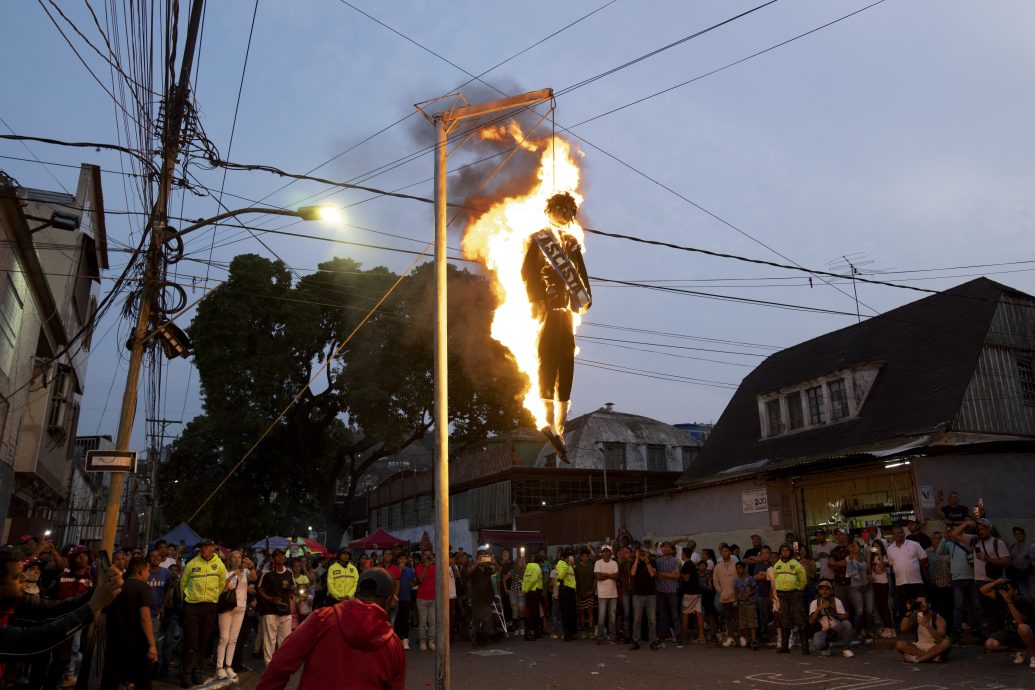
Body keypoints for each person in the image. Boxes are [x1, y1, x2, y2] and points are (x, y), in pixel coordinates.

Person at [521, 191, 592, 459]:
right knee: (547, 359)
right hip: (548, 308)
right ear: (550, 209)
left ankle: (559, 430)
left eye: (569, 210)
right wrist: (536, 299)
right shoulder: (539, 239)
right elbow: (528, 271)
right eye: (560, 208)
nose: (564, 214)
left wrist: (586, 298)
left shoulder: (572, 242)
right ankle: (548, 422)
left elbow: (581, 274)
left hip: (567, 311)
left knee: (567, 361)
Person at [256, 568, 404, 690]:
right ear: (390, 600)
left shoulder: (322, 618)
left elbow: (281, 663)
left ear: (356, 592)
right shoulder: (394, 644)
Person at [0, 546, 121, 659]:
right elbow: (35, 638)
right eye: (16, 577)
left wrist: (96, 592)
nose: (25, 577)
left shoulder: (19, 600)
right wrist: (91, 607)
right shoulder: (62, 576)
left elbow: (55, 608)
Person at [101, 556, 157, 690]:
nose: (149, 574)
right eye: (147, 571)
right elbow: (145, 616)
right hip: (136, 643)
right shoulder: (143, 587)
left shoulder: (117, 586)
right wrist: (152, 645)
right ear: (140, 571)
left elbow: (105, 613)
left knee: (110, 681)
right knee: (143, 682)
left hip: (115, 642)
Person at [951, 516, 1010, 636]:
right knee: (982, 610)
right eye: (979, 529)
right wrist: (967, 523)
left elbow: (1006, 561)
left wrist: (988, 559)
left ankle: (1000, 634)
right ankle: (987, 635)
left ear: (989, 529)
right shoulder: (975, 540)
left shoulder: (998, 543)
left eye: (983, 529)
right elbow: (954, 534)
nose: (980, 531)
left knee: (996, 610)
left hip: (993, 581)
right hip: (979, 581)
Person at [179, 538, 226, 688]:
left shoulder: (219, 565)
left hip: (209, 607)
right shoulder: (192, 564)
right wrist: (186, 602)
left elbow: (222, 584)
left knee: (203, 641)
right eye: (202, 547)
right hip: (192, 607)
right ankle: (186, 674)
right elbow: (182, 584)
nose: (204, 549)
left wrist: (212, 597)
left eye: (207, 547)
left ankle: (197, 671)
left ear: (213, 548)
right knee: (191, 641)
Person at [980, 577, 1035, 668]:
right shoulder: (1002, 598)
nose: (1005, 592)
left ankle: (1033, 656)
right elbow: (983, 590)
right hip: (1010, 632)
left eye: (1008, 589)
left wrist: (1009, 602)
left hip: (1028, 634)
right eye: (1004, 589)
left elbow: (1020, 621)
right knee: (990, 644)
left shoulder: (1025, 602)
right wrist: (995, 583)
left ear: (1016, 591)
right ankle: (1016, 650)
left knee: (1022, 627)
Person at [215, 551, 250, 680]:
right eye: (234, 557)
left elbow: (254, 577)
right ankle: (219, 667)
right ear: (229, 560)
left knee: (233, 639)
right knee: (224, 638)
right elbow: (221, 589)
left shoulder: (245, 572)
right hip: (227, 607)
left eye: (239, 557)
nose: (237, 559)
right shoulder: (224, 572)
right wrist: (233, 575)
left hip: (241, 607)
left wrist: (250, 566)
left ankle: (228, 666)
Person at [258, 549, 295, 665]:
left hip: (285, 610)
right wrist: (270, 598)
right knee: (270, 640)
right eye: (278, 556)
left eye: (282, 555)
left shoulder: (289, 573)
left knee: (285, 640)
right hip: (270, 610)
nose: (281, 557)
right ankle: (269, 665)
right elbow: (260, 589)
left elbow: (293, 589)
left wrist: (292, 592)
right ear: (273, 558)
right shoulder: (267, 573)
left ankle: (282, 664)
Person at [773, 543, 808, 655]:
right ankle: (785, 646)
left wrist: (799, 589)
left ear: (791, 552)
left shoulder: (796, 564)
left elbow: (803, 579)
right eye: (782, 550)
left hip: (795, 594)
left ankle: (805, 646)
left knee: (799, 617)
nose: (784, 552)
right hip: (782, 595)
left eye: (787, 550)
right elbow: (774, 579)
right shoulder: (777, 565)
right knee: (785, 618)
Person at [886, 526, 928, 619]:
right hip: (900, 583)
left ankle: (921, 624)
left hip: (916, 581)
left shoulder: (914, 544)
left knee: (920, 606)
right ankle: (910, 625)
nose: (897, 534)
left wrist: (915, 568)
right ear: (892, 535)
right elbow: (891, 564)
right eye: (895, 533)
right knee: (906, 608)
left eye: (900, 532)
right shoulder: (889, 549)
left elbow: (924, 558)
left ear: (904, 533)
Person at [895, 595, 951, 663]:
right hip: (919, 646)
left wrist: (927, 625)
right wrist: (908, 612)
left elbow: (940, 639)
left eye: (923, 602)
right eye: (918, 603)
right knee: (899, 644)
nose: (920, 605)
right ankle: (932, 657)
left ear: (929, 605)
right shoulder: (915, 616)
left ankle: (919, 659)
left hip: (934, 647)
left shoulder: (938, 619)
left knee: (946, 643)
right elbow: (903, 629)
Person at [808, 580, 854, 657]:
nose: (824, 591)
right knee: (818, 644)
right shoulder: (815, 602)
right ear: (819, 591)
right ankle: (826, 646)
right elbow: (811, 621)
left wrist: (834, 613)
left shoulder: (837, 601)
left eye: (827, 589)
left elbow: (844, 617)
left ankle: (846, 649)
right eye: (822, 589)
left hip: (836, 629)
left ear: (831, 591)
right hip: (823, 630)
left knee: (847, 624)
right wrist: (818, 609)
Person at [629, 546, 659, 650]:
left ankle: (653, 641)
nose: (644, 554)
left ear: (649, 554)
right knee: (637, 620)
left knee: (652, 620)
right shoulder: (636, 562)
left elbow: (652, 574)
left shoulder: (653, 562)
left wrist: (647, 562)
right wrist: (637, 559)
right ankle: (635, 641)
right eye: (642, 552)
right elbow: (632, 573)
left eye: (646, 552)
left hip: (651, 595)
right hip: (638, 595)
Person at [654, 541, 681, 647]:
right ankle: (661, 638)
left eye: (668, 547)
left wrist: (662, 574)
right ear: (661, 549)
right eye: (663, 547)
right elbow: (655, 575)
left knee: (675, 615)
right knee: (662, 616)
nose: (665, 549)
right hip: (661, 591)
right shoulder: (657, 561)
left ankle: (678, 637)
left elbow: (676, 576)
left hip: (672, 591)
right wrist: (669, 575)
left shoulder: (675, 561)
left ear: (671, 549)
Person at [713, 543, 739, 647]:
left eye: (726, 551)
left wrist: (738, 592)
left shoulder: (735, 564)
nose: (724, 553)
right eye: (722, 551)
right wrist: (721, 591)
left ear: (730, 552)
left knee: (737, 617)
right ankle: (730, 638)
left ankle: (741, 638)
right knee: (728, 618)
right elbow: (715, 581)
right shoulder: (718, 567)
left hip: (736, 596)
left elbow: (739, 577)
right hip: (724, 596)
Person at [593, 545, 619, 643]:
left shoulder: (614, 563)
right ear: (602, 553)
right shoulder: (598, 562)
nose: (606, 553)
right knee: (601, 616)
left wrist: (605, 574)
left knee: (612, 616)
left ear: (610, 553)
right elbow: (598, 577)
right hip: (602, 594)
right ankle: (600, 636)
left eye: (607, 551)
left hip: (613, 593)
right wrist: (611, 575)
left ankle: (612, 636)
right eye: (604, 551)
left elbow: (616, 576)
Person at [413, 550, 436, 651]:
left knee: (432, 621)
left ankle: (431, 641)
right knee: (422, 622)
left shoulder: (435, 568)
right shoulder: (418, 568)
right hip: (422, 598)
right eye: (425, 555)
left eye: (429, 555)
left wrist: (433, 563)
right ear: (422, 556)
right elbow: (420, 580)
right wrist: (426, 567)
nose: (427, 557)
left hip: (433, 598)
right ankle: (422, 641)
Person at [734, 561, 759, 649]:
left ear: (744, 569)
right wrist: (736, 602)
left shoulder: (750, 578)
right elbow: (736, 592)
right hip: (741, 604)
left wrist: (749, 594)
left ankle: (754, 640)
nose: (738, 570)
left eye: (740, 568)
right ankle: (748, 640)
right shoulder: (736, 581)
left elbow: (755, 589)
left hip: (750, 603)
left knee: (752, 622)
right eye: (737, 568)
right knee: (743, 623)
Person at [391, 553, 414, 650]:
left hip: (406, 598)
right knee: (397, 621)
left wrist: (412, 583)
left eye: (404, 559)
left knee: (405, 620)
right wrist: (400, 570)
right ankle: (398, 640)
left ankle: (405, 640)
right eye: (401, 559)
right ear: (398, 560)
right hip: (396, 598)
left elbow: (413, 583)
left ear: (407, 560)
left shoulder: (410, 570)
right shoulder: (395, 569)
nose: (403, 561)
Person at [522, 553, 544, 641]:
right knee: (533, 613)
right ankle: (527, 634)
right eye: (542, 562)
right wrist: (527, 589)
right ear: (540, 562)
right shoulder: (537, 568)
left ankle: (536, 632)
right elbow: (533, 580)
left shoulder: (528, 567)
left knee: (535, 613)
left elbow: (524, 579)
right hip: (534, 592)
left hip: (529, 593)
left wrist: (524, 590)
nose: (542, 564)